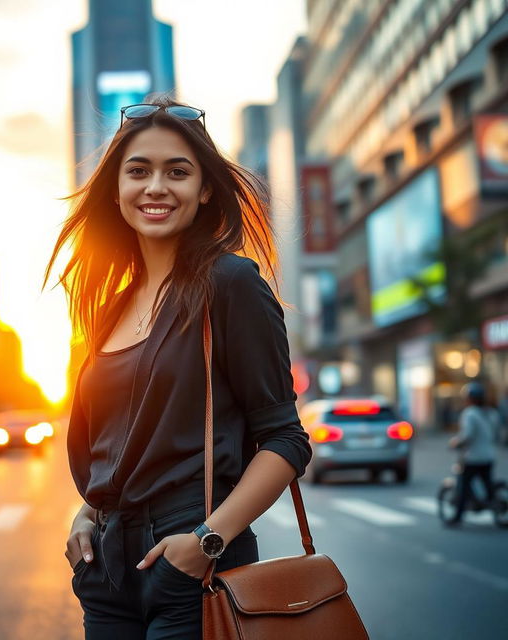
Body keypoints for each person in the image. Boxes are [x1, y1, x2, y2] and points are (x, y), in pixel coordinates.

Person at [44, 98, 312, 639]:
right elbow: (113, 449)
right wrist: (85, 516)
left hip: (196, 565)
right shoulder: (108, 310)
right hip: (107, 574)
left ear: (205, 189)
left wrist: (207, 541)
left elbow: (285, 440)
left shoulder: (231, 284)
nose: (156, 187)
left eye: (178, 172)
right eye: (138, 171)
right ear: (116, 188)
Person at [447, 381, 501, 526]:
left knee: (463, 486)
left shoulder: (470, 413)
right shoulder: (492, 413)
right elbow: (496, 435)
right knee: (487, 484)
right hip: (489, 455)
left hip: (472, 457)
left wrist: (456, 443)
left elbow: (467, 435)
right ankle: (492, 503)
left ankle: (457, 517)